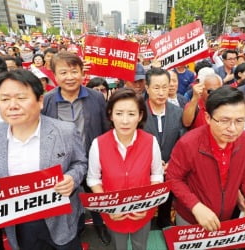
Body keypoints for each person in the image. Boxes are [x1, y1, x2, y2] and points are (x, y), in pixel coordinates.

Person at [0, 69, 87, 250]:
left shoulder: (65, 131)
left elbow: (80, 163)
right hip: (18, 224)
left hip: (61, 221)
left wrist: (72, 178)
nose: (12, 105)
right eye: (4, 99)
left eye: (21, 97)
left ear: (40, 100)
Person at [167, 86, 245, 232]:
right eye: (224, 121)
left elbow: (243, 169)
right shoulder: (188, 143)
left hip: (226, 217)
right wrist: (196, 206)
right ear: (208, 118)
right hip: (191, 219)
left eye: (239, 121)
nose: (232, 129)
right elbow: (173, 178)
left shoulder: (244, 139)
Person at [42, 51, 111, 245]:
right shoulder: (47, 100)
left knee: (95, 195)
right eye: (63, 72)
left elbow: (105, 127)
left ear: (82, 73)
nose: (70, 77)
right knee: (69, 197)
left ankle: (100, 224)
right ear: (55, 76)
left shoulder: (96, 97)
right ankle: (76, 227)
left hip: (91, 157)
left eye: (74, 71)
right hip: (61, 162)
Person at [87, 88, 163, 250]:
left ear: (140, 116)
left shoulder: (151, 141)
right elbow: (93, 179)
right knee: (118, 247)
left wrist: (149, 205)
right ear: (110, 115)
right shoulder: (98, 144)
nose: (125, 121)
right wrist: (109, 207)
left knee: (140, 246)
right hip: (114, 213)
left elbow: (157, 175)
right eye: (119, 113)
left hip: (142, 211)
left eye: (131, 114)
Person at [143, 68, 185, 228]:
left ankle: (164, 222)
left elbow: (181, 141)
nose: (161, 93)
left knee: (166, 206)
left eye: (165, 87)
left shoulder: (178, 112)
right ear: (147, 88)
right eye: (156, 88)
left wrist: (172, 162)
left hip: (170, 169)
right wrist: (151, 161)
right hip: (144, 171)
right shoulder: (138, 111)